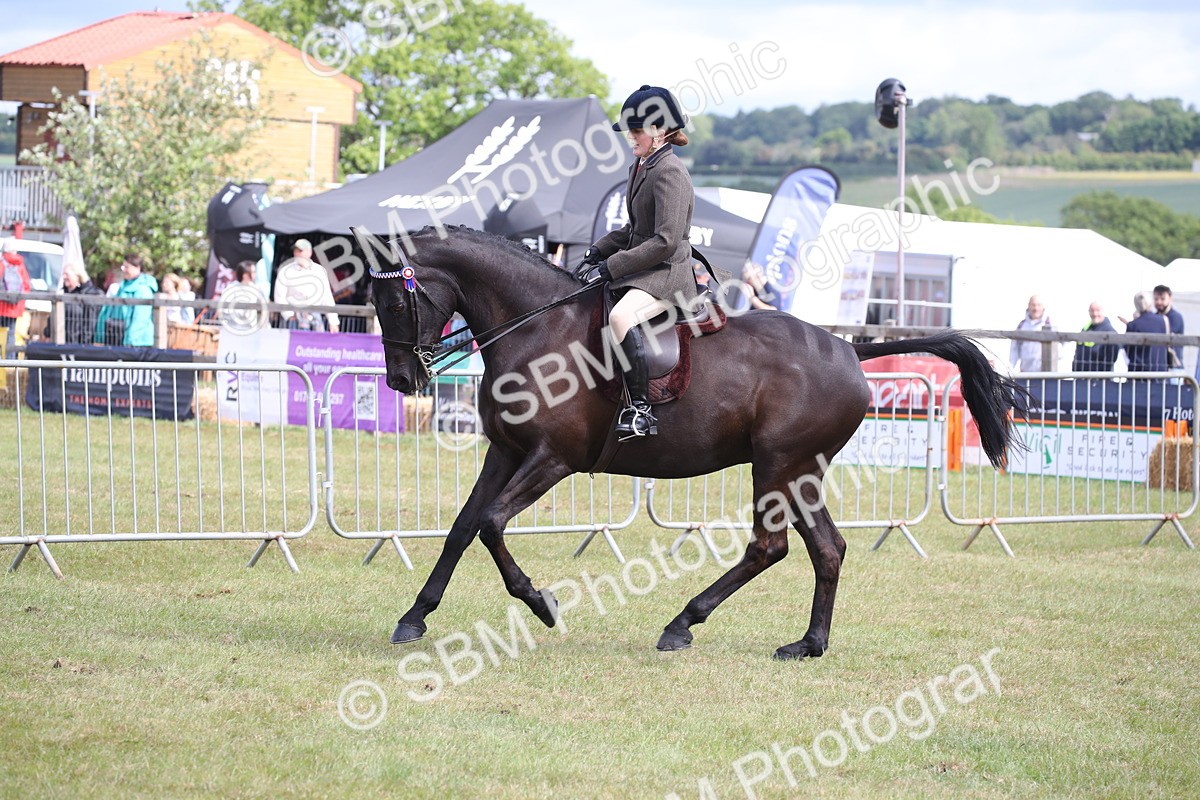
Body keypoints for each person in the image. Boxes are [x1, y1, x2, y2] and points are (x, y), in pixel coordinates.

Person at [575, 85, 697, 440]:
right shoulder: (643, 166)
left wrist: (612, 267)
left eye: (636, 130)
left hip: (668, 274)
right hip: (647, 269)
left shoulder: (670, 172)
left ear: (659, 131)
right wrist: (597, 251)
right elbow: (634, 230)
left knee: (620, 317)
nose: (630, 137)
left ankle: (640, 410)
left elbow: (665, 240)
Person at [273, 239, 339, 332]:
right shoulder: (285, 270)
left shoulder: (319, 271)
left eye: (300, 251)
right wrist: (289, 315)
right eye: (295, 251)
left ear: (309, 252)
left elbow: (327, 297)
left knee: (317, 342)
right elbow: (279, 296)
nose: (297, 253)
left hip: (315, 316)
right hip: (293, 318)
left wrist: (333, 321)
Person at [94, 254, 158, 346]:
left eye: (127, 267)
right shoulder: (122, 287)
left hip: (136, 343)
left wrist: (130, 341)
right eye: (123, 267)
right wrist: (100, 336)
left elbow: (140, 319)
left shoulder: (144, 290)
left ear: (138, 267)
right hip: (118, 338)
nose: (123, 270)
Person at [45, 264, 103, 345]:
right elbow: (53, 317)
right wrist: (48, 333)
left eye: (67, 274)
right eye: (63, 274)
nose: (64, 277)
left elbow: (90, 323)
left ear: (77, 276)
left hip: (79, 344)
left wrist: (84, 344)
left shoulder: (90, 294)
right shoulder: (62, 294)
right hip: (59, 342)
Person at [1009, 295, 1058, 372]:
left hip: (1046, 374)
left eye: (1038, 305)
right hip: (1025, 374)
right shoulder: (1022, 326)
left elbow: (1063, 346)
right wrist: (1010, 368)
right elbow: (1014, 349)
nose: (1036, 308)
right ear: (1029, 306)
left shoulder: (1051, 324)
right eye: (1033, 305)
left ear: (1043, 307)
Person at [1124, 291, 1169, 372]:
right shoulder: (1163, 321)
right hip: (1159, 370)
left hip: (1138, 371)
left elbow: (1127, 350)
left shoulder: (1133, 325)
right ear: (1150, 303)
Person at [1, 238, 32, 352]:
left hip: (1, 306)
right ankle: (9, 359)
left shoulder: (1, 263)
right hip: (14, 307)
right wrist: (20, 302)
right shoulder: (20, 265)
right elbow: (26, 285)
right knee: (11, 334)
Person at [1071, 302, 1119, 372]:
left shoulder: (1110, 332)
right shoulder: (1085, 329)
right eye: (1092, 311)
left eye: (1097, 310)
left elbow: (1111, 359)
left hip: (1098, 377)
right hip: (1080, 375)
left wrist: (1100, 373)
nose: (1095, 314)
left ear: (1102, 311)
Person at [1154, 284, 1184, 369]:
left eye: (1162, 299)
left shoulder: (1175, 317)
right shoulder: (1155, 316)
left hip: (1173, 366)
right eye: (1156, 299)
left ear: (1170, 298)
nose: (1159, 302)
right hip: (1158, 365)